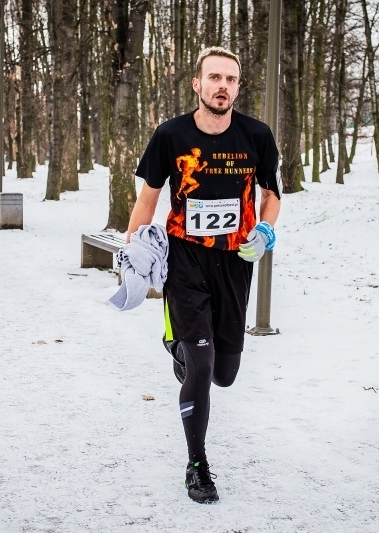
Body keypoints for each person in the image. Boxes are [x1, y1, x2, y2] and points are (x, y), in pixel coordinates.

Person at [125, 46, 281, 504]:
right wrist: (131, 250)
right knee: (202, 364)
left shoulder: (257, 135)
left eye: (230, 80)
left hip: (235, 263)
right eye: (214, 78)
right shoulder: (170, 135)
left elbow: (273, 194)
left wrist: (267, 228)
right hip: (186, 260)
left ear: (237, 87)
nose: (222, 87)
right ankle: (197, 464)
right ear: (197, 84)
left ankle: (177, 347)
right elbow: (148, 198)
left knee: (226, 374)